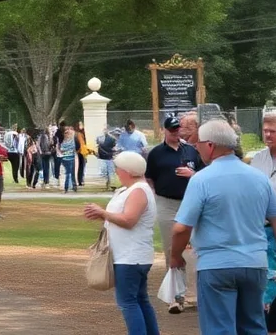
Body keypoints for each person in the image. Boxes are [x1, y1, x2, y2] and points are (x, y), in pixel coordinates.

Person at [171, 120, 276, 335]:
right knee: (253, 325)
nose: (196, 148)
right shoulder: (259, 178)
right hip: (254, 263)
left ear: (210, 145)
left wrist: (175, 255)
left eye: (198, 144)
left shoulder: (201, 180)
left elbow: (181, 228)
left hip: (216, 265)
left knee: (219, 328)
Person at [83, 151, 159, 335]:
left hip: (131, 257)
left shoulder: (139, 190)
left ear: (128, 170)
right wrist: (104, 217)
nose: (117, 172)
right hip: (130, 255)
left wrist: (103, 213)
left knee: (128, 302)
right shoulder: (130, 189)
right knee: (139, 299)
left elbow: (129, 220)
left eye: (118, 169)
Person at [146, 115, 202, 314]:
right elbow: (149, 177)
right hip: (167, 203)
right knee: (172, 250)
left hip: (191, 202)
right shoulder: (156, 153)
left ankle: (194, 294)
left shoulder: (191, 151)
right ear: (164, 130)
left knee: (195, 248)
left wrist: (191, 175)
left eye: (177, 128)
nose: (175, 132)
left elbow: (204, 176)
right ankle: (175, 296)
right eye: (171, 129)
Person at [247, 109, 276, 331]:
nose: (268, 136)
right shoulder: (258, 159)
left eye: (273, 131)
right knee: (268, 277)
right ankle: (268, 323)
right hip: (262, 228)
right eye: (265, 131)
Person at [57, 123, 78, 193]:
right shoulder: (71, 141)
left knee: (70, 173)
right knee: (69, 173)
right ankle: (69, 187)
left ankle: (72, 187)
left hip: (67, 158)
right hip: (69, 159)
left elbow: (62, 150)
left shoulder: (63, 142)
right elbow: (73, 149)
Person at [76, 122, 91, 190]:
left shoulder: (80, 134)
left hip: (82, 151)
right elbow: (81, 144)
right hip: (81, 152)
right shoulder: (80, 134)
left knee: (82, 166)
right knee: (82, 166)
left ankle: (81, 179)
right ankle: (81, 180)